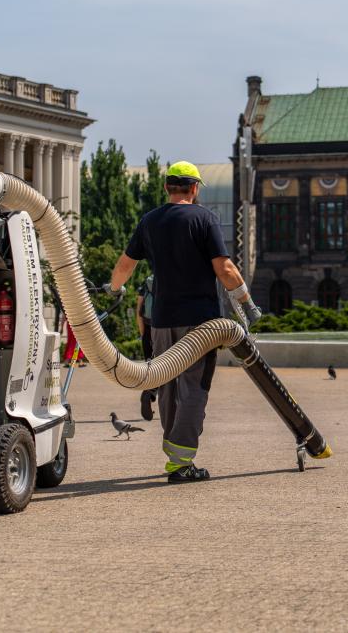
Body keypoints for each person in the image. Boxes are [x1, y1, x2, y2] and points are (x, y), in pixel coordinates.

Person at [107, 161, 262, 483]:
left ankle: (175, 454)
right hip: (200, 324)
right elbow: (225, 269)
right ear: (194, 188)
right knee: (194, 386)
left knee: (168, 384)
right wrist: (246, 302)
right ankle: (181, 460)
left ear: (167, 188)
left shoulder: (150, 221)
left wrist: (115, 288)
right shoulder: (204, 219)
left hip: (162, 320)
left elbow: (125, 264)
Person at [136, 273, 156, 420]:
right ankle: (151, 392)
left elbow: (139, 311)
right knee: (171, 367)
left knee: (151, 366)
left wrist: (143, 334)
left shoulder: (147, 282)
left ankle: (149, 392)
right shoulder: (172, 277)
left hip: (148, 329)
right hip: (165, 328)